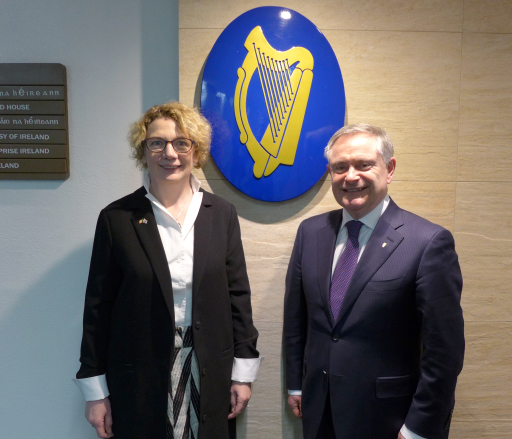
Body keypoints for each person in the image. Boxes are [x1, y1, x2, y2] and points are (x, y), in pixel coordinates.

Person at [75, 102, 260, 439]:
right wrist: (95, 391)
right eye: (156, 142)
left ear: (196, 150)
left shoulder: (221, 213)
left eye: (181, 143)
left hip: (210, 367)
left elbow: (238, 297)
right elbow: (97, 310)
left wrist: (243, 373)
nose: (169, 153)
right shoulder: (117, 218)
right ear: (143, 151)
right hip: (139, 372)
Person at [283, 124, 464, 439]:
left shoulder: (427, 242)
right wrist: (297, 384)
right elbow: (297, 320)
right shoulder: (310, 233)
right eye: (340, 167)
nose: (350, 176)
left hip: (389, 420)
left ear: (389, 169)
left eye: (363, 164)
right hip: (319, 410)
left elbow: (444, 352)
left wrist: (418, 427)